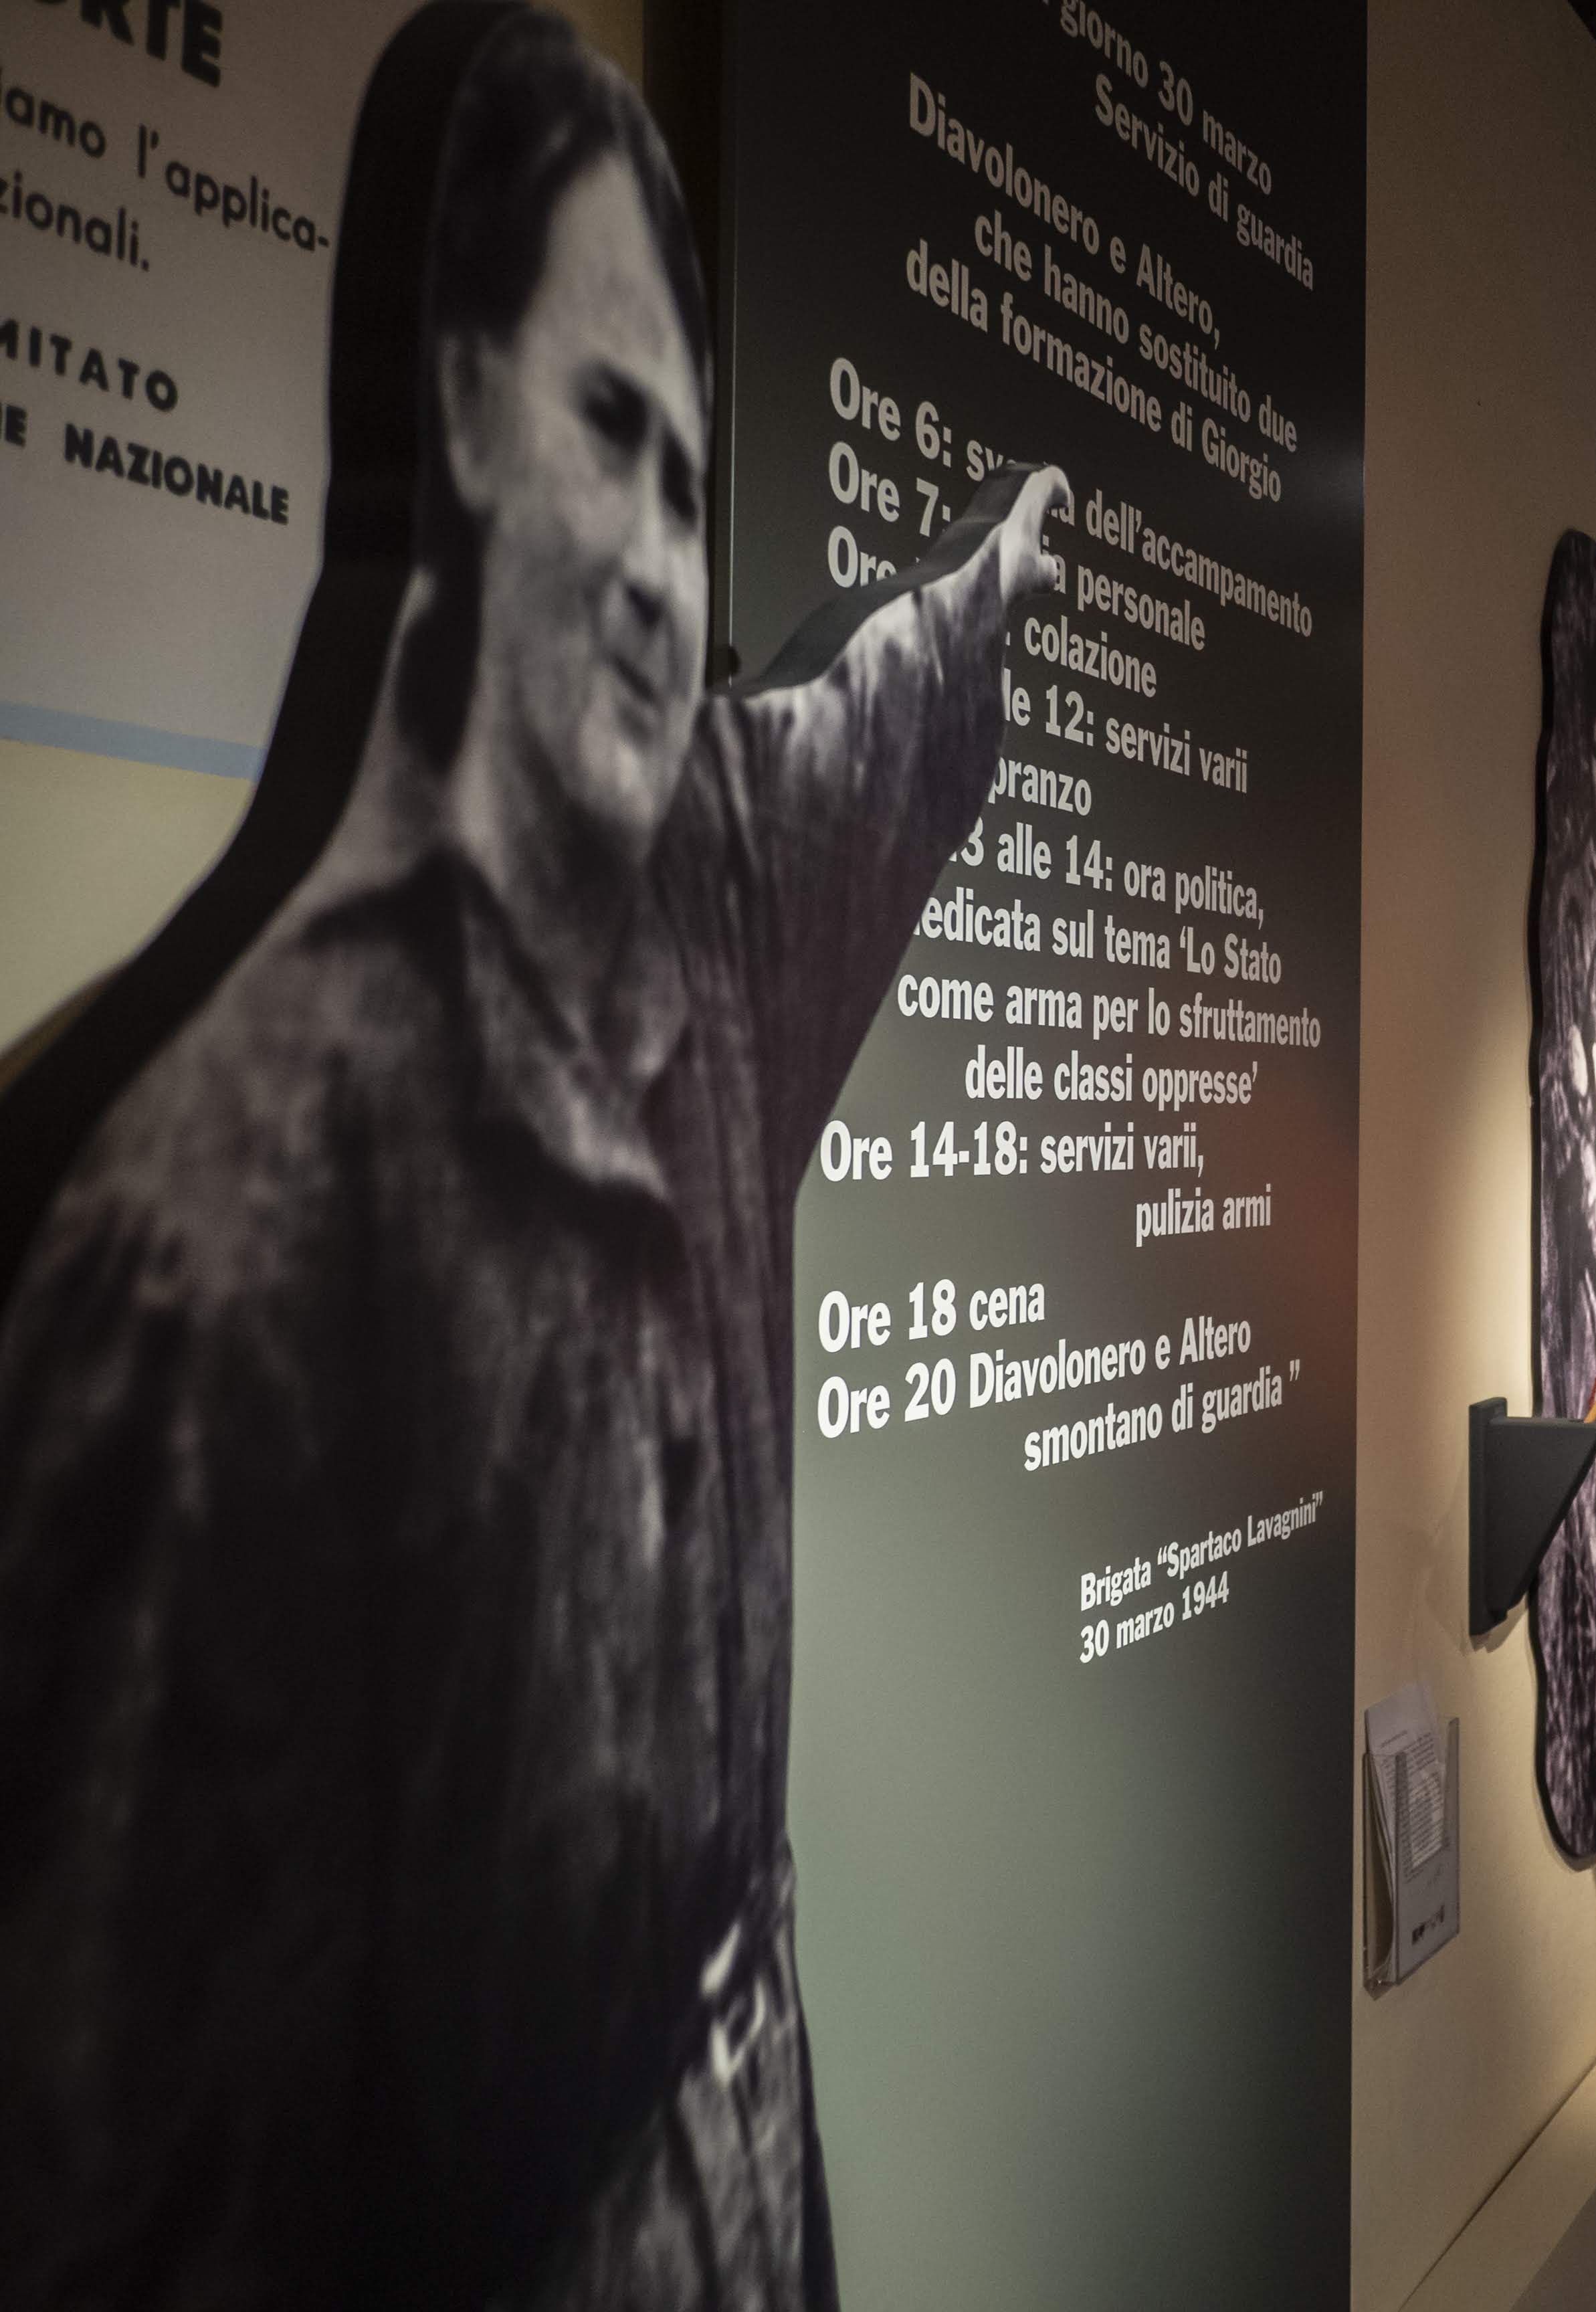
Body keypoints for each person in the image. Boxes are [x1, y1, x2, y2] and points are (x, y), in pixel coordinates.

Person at [0, 16, 1071, 2306]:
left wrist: (993, 601)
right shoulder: (216, 1215)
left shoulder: (709, 906)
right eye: (613, 433)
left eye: (699, 484)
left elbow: (858, 740)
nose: (670, 560)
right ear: (463, 412)